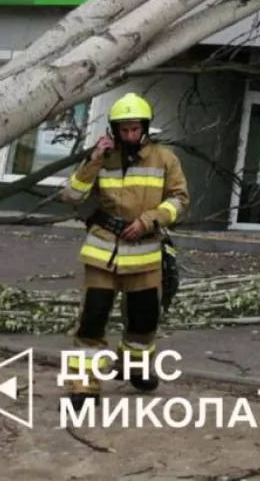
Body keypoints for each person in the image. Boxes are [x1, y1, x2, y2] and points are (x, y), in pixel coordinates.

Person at [58, 93, 188, 400]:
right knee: (93, 318)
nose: (129, 135)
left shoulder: (165, 158)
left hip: (145, 255)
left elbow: (180, 200)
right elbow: (72, 198)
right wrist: (92, 162)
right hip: (103, 253)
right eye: (123, 129)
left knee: (144, 321)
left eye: (134, 129)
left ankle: (133, 367)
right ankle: (83, 383)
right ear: (114, 130)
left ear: (144, 128)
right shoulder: (99, 158)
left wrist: (149, 220)